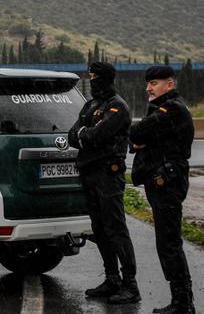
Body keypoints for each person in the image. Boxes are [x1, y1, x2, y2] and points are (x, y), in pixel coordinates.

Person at [68, 61, 141, 304]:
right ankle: (112, 279)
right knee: (99, 228)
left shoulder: (117, 106)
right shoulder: (91, 105)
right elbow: (73, 135)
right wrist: (84, 135)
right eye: (90, 76)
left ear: (106, 78)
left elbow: (98, 135)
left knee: (116, 228)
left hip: (108, 175)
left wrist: (85, 134)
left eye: (95, 76)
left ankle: (130, 284)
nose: (92, 80)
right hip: (89, 172)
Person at [131, 65, 196, 314]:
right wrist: (143, 140)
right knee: (166, 242)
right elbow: (138, 136)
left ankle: (183, 303)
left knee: (169, 243)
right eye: (148, 83)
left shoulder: (172, 108)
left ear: (169, 84)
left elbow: (137, 131)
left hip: (168, 181)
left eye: (154, 83)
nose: (148, 88)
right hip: (163, 179)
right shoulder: (164, 107)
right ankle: (181, 300)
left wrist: (142, 140)